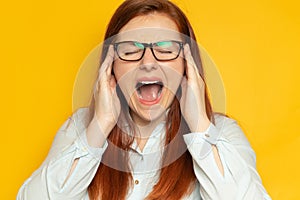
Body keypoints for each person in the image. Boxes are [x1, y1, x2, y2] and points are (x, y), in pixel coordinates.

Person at [17, 0, 272, 199]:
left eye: (165, 50)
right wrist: (101, 125)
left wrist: (199, 126)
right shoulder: (81, 127)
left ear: (187, 65)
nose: (148, 63)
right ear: (110, 66)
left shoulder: (222, 133)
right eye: (130, 51)